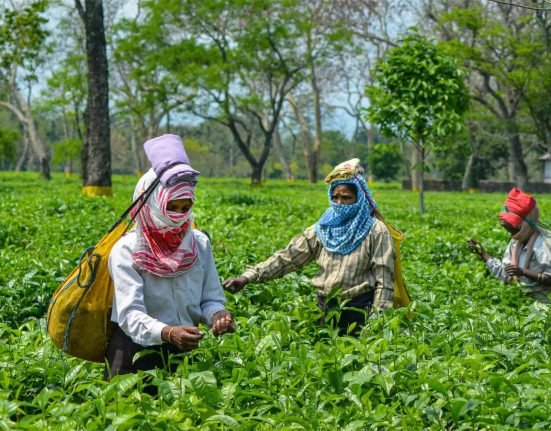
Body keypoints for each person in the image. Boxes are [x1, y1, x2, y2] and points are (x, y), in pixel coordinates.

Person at [105, 134, 235, 379]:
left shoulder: (198, 243)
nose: (178, 215)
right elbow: (130, 315)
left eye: (185, 208)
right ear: (152, 204)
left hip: (183, 353)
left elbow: (210, 299)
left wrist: (217, 315)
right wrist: (166, 332)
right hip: (133, 355)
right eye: (171, 208)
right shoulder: (128, 250)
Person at [223, 158, 395, 334]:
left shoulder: (375, 231)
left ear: (359, 198)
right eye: (335, 197)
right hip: (324, 308)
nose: (339, 203)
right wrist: (248, 277)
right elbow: (288, 257)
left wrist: (376, 323)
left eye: (346, 198)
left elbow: (384, 281)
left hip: (359, 310)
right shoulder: (322, 228)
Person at [468, 188, 551, 303]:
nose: (511, 234)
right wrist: (483, 254)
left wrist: (524, 272)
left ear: (524, 225)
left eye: (512, 229)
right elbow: (508, 274)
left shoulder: (544, 244)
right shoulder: (516, 243)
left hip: (544, 305)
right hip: (521, 301)